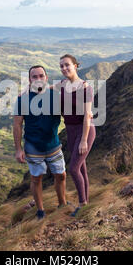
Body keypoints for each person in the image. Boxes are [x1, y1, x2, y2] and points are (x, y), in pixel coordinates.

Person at [13, 65, 68, 220]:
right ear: (29, 80)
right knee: (36, 179)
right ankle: (40, 210)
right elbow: (17, 125)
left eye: (41, 76)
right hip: (33, 147)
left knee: (61, 175)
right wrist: (18, 149)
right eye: (34, 76)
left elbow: (69, 112)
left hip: (53, 145)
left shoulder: (55, 96)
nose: (38, 79)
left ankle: (62, 204)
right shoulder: (22, 99)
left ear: (46, 78)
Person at [56, 54, 96, 217]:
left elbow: (87, 116)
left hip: (84, 131)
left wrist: (84, 140)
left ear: (75, 66)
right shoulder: (63, 84)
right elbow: (48, 88)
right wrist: (28, 89)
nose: (64, 68)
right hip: (70, 131)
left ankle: (82, 205)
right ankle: (86, 202)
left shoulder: (85, 88)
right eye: (61, 66)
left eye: (67, 65)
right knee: (82, 168)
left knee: (73, 168)